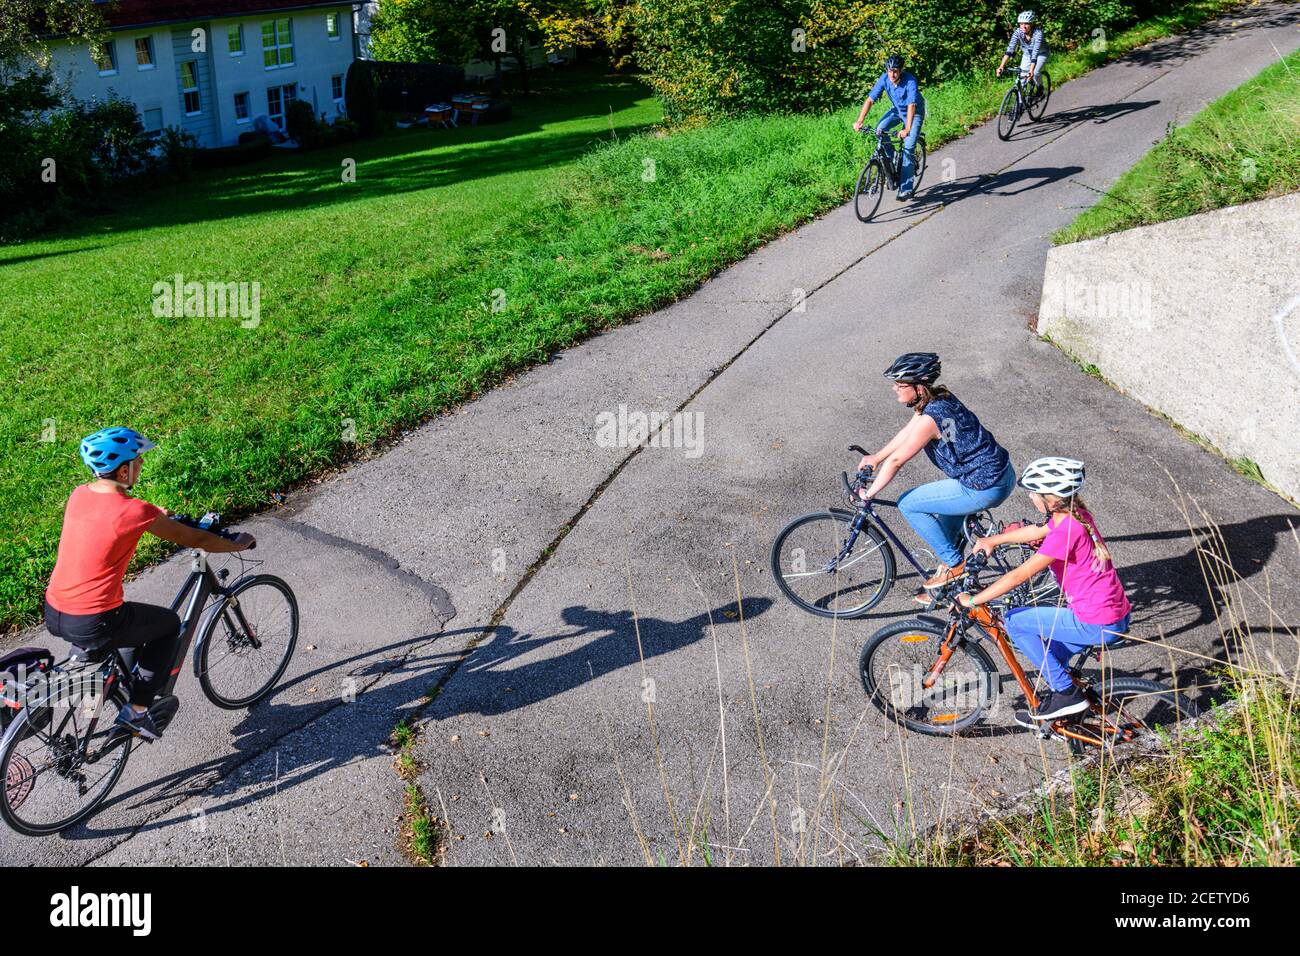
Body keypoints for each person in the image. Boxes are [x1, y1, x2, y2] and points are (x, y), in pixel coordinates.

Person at [43, 427, 254, 740]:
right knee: (168, 626)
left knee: (132, 623)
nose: (141, 465)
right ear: (124, 468)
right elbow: (195, 538)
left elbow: (110, 517)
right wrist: (236, 544)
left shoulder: (80, 494)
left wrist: (155, 515)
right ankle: (137, 712)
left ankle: (120, 685)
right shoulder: (134, 511)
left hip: (55, 611)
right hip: (95, 619)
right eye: (138, 460)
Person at [958, 457, 1133, 723]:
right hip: (1114, 615)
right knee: (1052, 658)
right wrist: (993, 540)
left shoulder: (1066, 532)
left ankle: (1066, 694)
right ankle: (1064, 710)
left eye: (1033, 493)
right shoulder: (1074, 516)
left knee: (1015, 621)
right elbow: (1036, 530)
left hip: (1094, 621)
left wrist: (974, 600)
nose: (1030, 497)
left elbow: (1019, 576)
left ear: (1050, 499)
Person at [855, 353, 1016, 598]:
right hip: (998, 474)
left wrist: (870, 493)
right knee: (945, 529)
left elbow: (898, 460)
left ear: (919, 387)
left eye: (900, 385)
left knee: (908, 503)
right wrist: (876, 458)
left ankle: (954, 566)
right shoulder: (939, 398)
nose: (894, 389)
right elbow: (908, 431)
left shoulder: (932, 418)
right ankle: (945, 588)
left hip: (981, 486)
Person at [853, 53, 926, 201]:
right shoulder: (885, 78)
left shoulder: (910, 80)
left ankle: (906, 189)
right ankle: (892, 161)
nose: (892, 74)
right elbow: (870, 100)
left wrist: (907, 129)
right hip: (898, 111)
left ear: (901, 70)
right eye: (890, 70)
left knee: (908, 147)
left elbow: (912, 105)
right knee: (879, 130)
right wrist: (860, 120)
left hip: (915, 113)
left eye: (896, 71)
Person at [997, 10, 1049, 90]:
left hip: (1041, 54)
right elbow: (1010, 50)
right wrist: (1001, 66)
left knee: (1035, 73)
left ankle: (1040, 88)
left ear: (1031, 24)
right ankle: (1021, 102)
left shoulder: (1038, 33)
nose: (1023, 26)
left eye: (1026, 24)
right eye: (1021, 24)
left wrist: (1031, 70)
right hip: (1027, 54)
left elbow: (1035, 53)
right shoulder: (1018, 32)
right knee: (1022, 77)